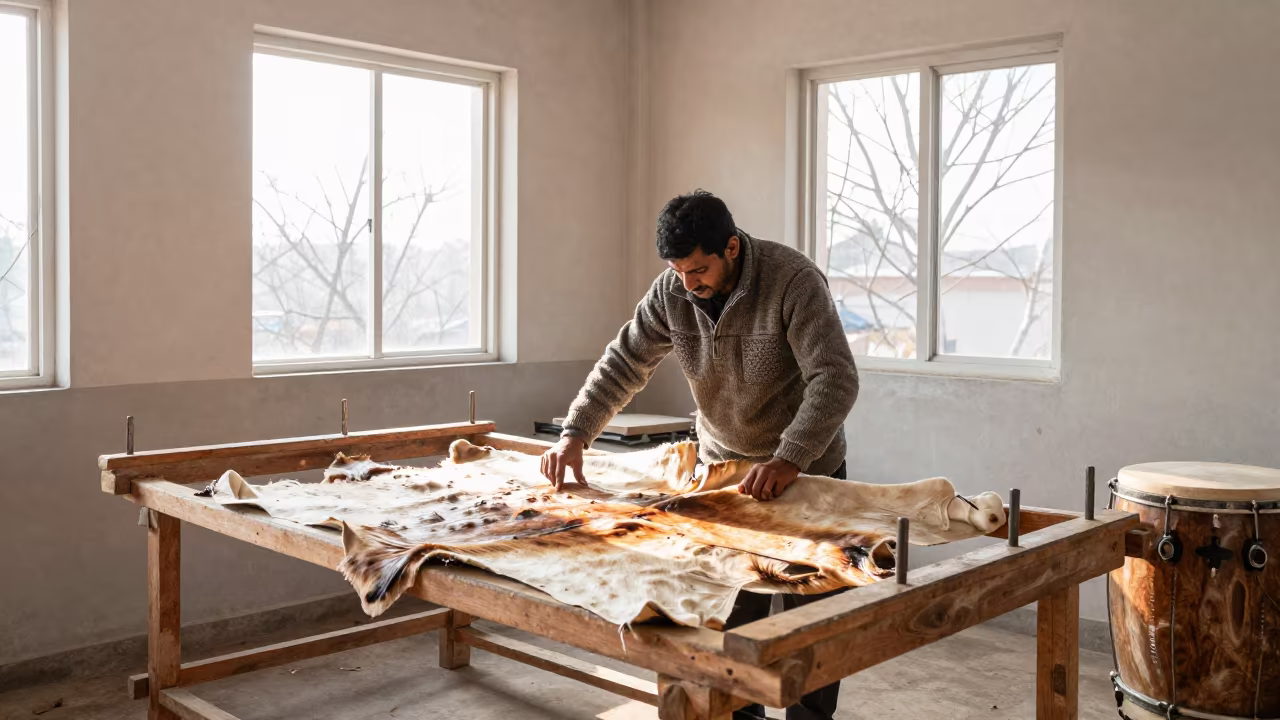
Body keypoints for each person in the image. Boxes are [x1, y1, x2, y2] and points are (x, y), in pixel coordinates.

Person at [540, 189, 859, 720]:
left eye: (698, 269)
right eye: (679, 271)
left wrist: (790, 457)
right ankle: (737, 714)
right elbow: (625, 363)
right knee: (730, 608)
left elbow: (835, 379)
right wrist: (576, 433)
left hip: (805, 471)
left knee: (812, 615)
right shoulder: (672, 291)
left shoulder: (793, 281)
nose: (689, 283)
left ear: (731, 247)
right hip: (724, 472)